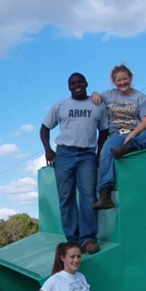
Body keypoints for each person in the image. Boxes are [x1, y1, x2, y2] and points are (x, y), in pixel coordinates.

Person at [40, 73, 108, 255]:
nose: (77, 85)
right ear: (68, 86)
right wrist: (48, 150)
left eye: (80, 82)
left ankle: (88, 239)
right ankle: (73, 240)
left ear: (86, 83)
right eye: (73, 83)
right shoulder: (60, 105)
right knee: (66, 198)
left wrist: (99, 153)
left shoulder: (97, 105)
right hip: (64, 154)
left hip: (87, 155)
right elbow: (44, 128)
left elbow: (104, 131)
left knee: (88, 196)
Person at [91, 64, 146, 210]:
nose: (122, 82)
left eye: (125, 79)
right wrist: (95, 93)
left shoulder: (139, 97)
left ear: (130, 78)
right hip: (117, 135)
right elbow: (95, 96)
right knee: (106, 150)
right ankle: (105, 194)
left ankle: (129, 147)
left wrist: (132, 136)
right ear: (114, 82)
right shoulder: (109, 95)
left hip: (136, 134)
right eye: (119, 80)